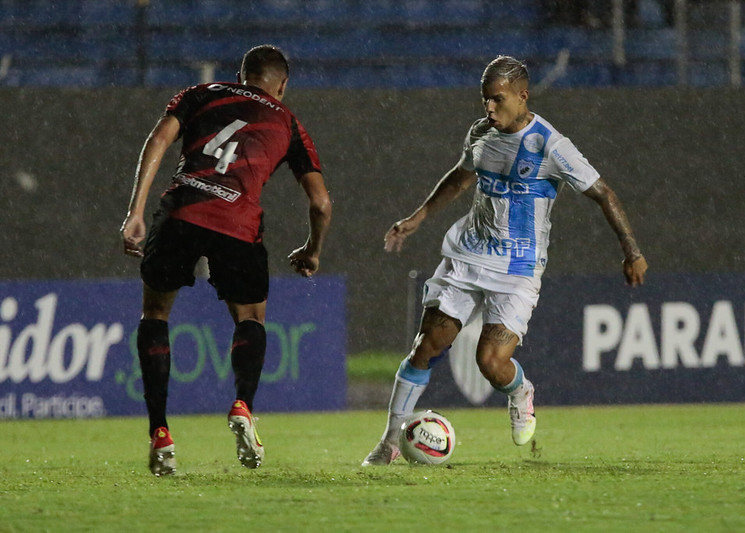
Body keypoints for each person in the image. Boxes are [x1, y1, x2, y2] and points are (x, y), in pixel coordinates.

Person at [362, 55, 647, 466]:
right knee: (427, 345)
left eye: (497, 100)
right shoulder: (481, 131)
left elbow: (603, 193)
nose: (489, 109)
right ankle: (389, 442)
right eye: (485, 101)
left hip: (516, 269)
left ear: (522, 96)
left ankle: (519, 391)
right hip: (469, 254)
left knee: (490, 362)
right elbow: (462, 175)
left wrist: (632, 251)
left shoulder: (551, 145)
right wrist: (418, 218)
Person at [120, 44, 332, 476]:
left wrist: (136, 211)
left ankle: (160, 433)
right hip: (237, 222)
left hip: (182, 210)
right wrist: (312, 248)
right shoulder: (289, 122)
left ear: (241, 75)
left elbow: (158, 139)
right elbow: (322, 203)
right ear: (283, 85)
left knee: (156, 313)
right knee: (250, 318)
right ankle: (243, 406)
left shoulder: (201, 93)